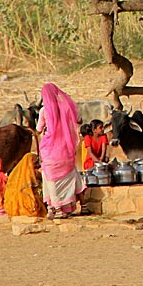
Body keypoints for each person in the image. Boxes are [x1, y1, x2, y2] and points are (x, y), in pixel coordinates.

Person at [36, 82, 87, 219]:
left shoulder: (44, 111)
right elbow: (79, 120)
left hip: (50, 151)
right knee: (70, 177)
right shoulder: (68, 108)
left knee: (50, 180)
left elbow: (39, 129)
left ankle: (56, 209)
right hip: (66, 150)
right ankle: (79, 205)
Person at [4, 152, 46, 218]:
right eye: (35, 163)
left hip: (12, 204)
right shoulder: (31, 173)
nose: (37, 165)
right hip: (27, 202)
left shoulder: (15, 173)